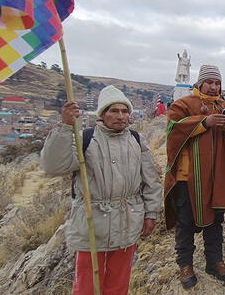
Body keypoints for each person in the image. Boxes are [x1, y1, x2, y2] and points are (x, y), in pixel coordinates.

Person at [41, 85, 162, 295]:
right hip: (92, 225)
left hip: (127, 222)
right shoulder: (85, 139)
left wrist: (151, 213)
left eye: (125, 111)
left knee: (118, 283)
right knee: (87, 285)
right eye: (114, 111)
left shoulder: (136, 140)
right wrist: (64, 127)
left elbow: (151, 181)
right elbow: (54, 166)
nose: (120, 116)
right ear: (102, 114)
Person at [164, 65, 225, 288]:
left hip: (218, 176)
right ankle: (185, 265)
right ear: (200, 84)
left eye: (217, 83)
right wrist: (204, 122)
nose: (214, 87)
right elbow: (173, 129)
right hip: (188, 176)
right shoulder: (183, 104)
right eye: (209, 82)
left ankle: (215, 261)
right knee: (185, 222)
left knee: (215, 220)